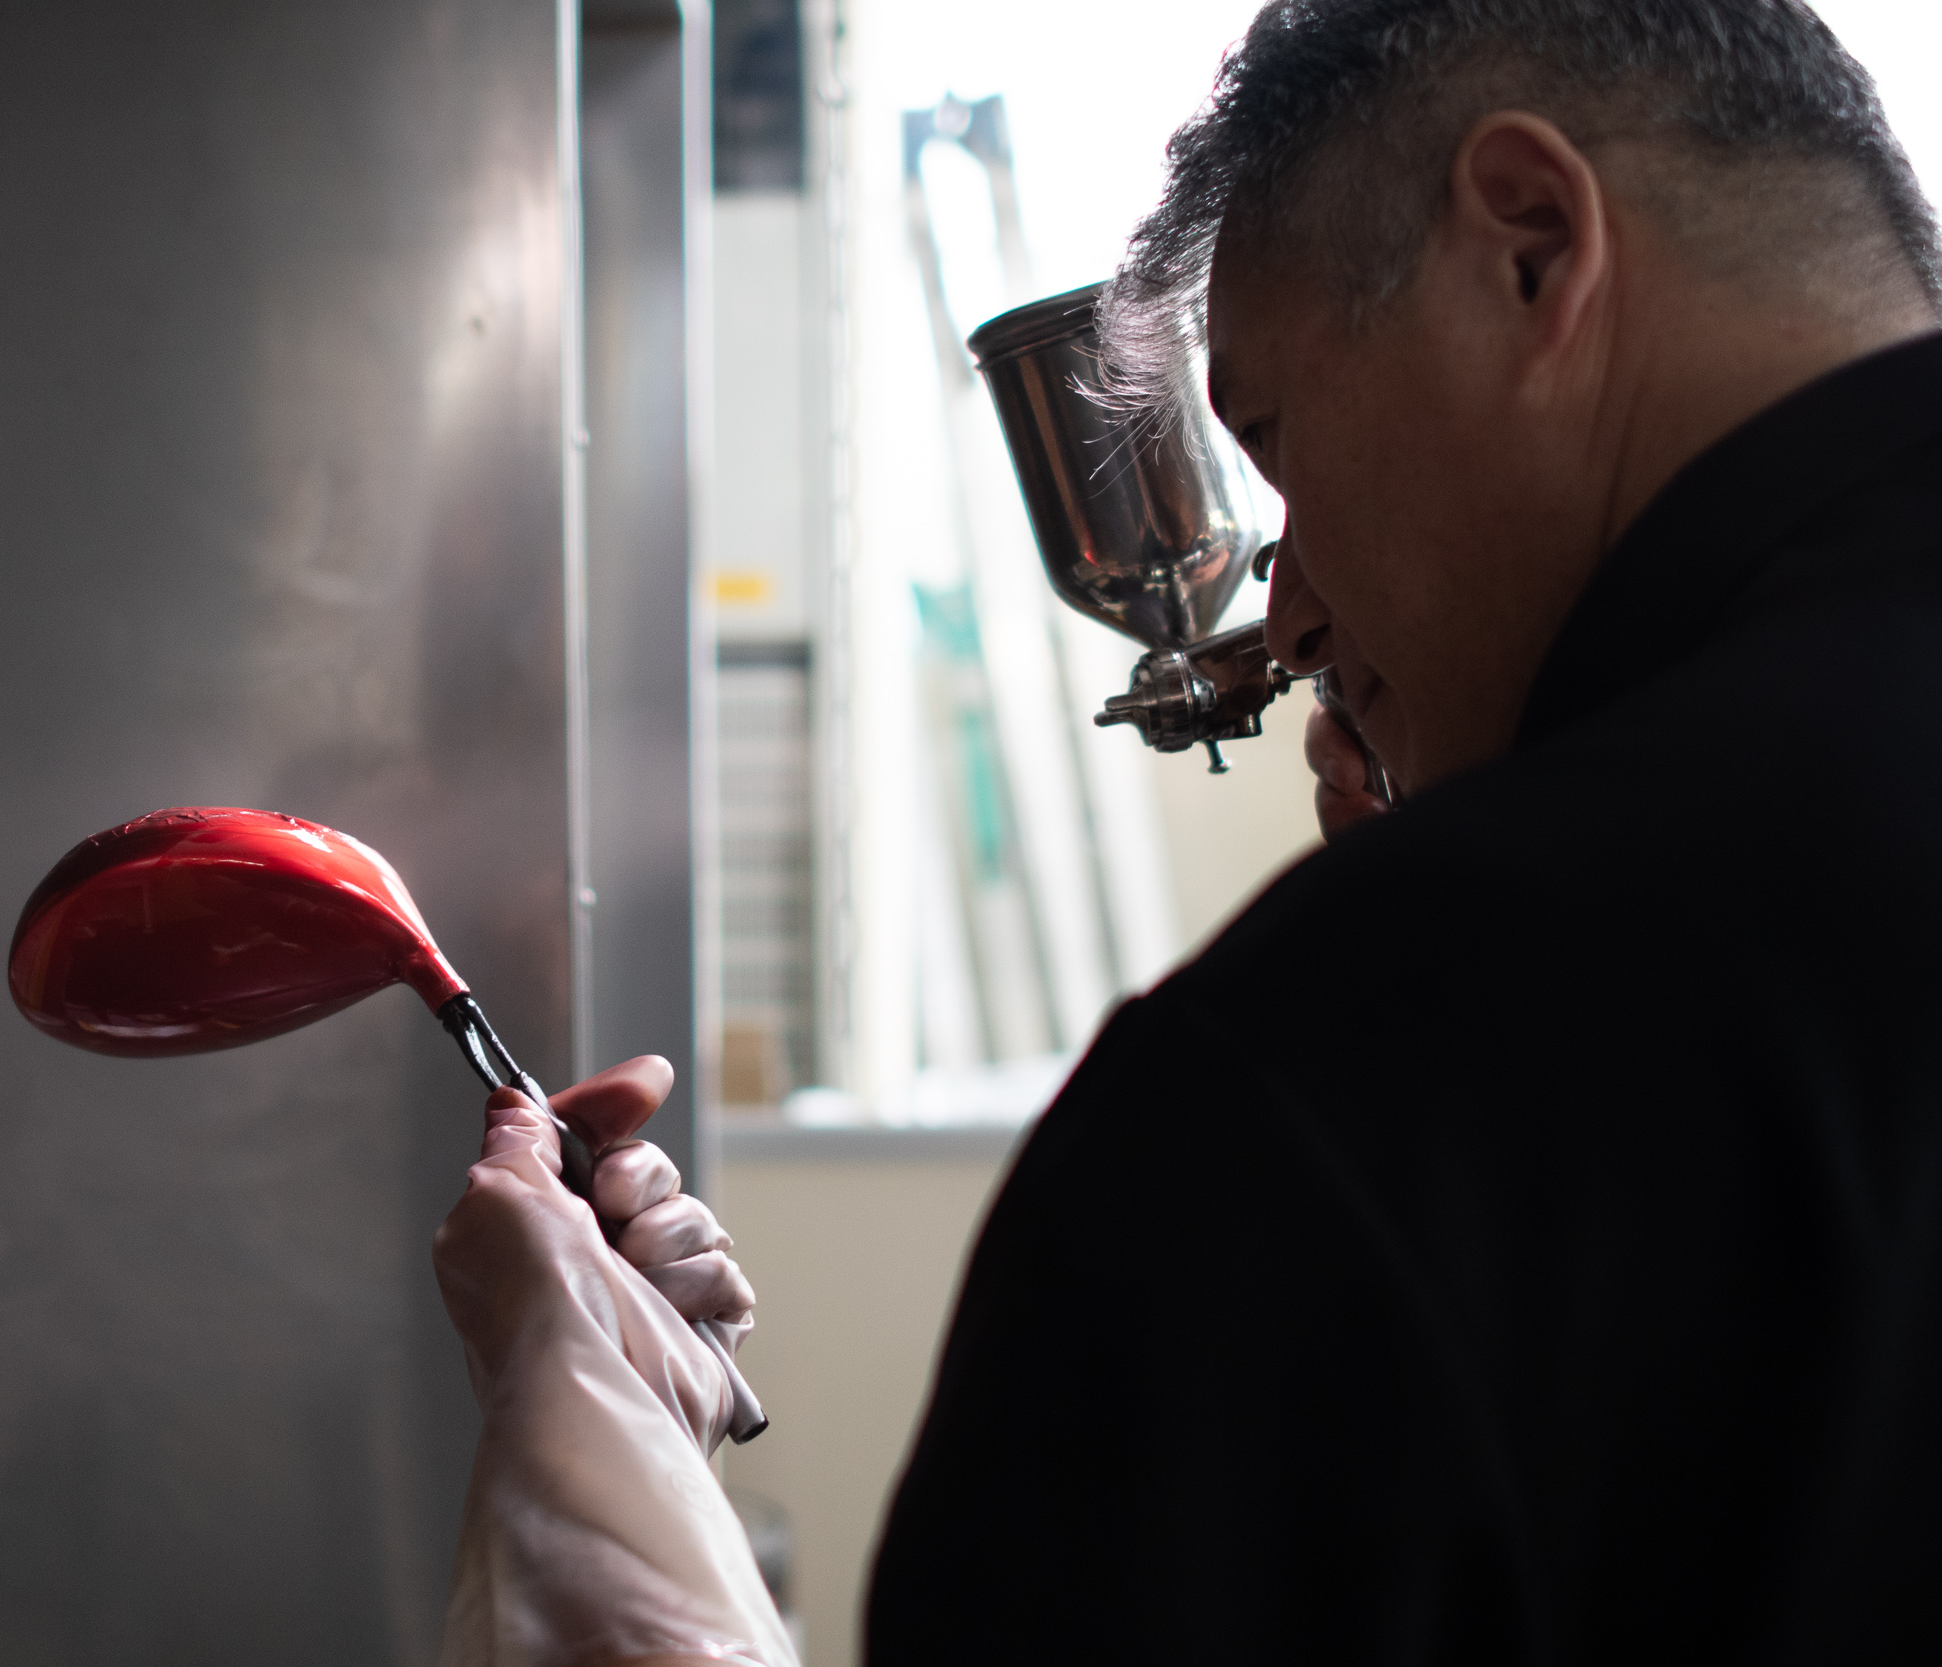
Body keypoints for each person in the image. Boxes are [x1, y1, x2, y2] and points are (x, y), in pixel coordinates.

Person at [432, 1, 1942, 1661]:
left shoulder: (1358, 1065)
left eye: (1275, 440)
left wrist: (609, 1506)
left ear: (1528, 245)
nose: (1288, 618)